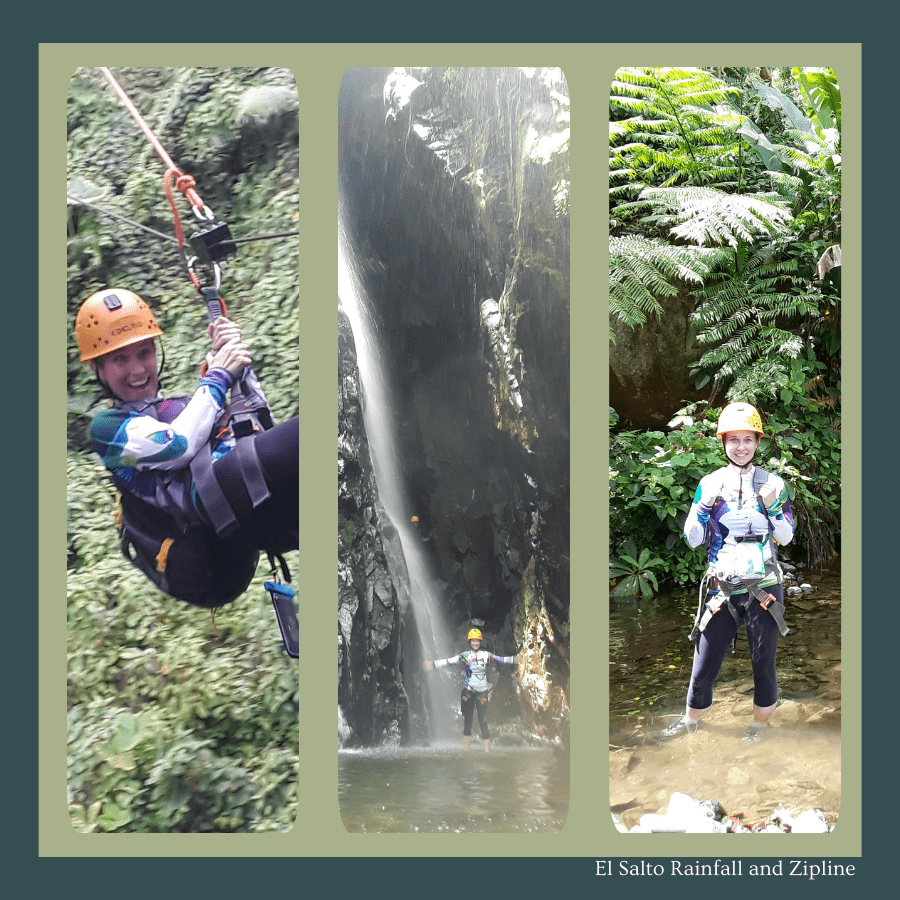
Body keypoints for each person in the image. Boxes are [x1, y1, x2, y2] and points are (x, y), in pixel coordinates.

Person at [75, 287, 299, 605]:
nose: (137, 369)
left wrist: (238, 366)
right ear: (97, 368)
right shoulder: (107, 429)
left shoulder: (182, 408)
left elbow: (260, 426)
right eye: (120, 359)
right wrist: (219, 374)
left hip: (245, 505)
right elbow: (176, 446)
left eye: (144, 352)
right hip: (219, 503)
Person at [660, 402, 795, 742]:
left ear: (758, 442)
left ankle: (759, 727)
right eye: (733, 439)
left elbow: (786, 537)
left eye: (747, 439)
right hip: (722, 587)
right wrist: (704, 507)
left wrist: (773, 510)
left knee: (763, 665)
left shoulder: (774, 484)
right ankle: (690, 722)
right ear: (722, 442)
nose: (740, 447)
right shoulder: (710, 483)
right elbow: (693, 539)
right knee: (704, 665)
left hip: (764, 586)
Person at [422, 628, 517, 751]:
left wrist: (516, 659)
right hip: (469, 691)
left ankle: (486, 751)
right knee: (468, 720)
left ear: (480, 642)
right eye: (473, 641)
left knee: (483, 720)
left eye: (477, 641)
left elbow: (501, 660)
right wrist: (432, 664)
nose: (475, 643)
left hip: (482, 692)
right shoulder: (465, 656)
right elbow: (449, 661)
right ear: (469, 642)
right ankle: (466, 749)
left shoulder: (485, 655)